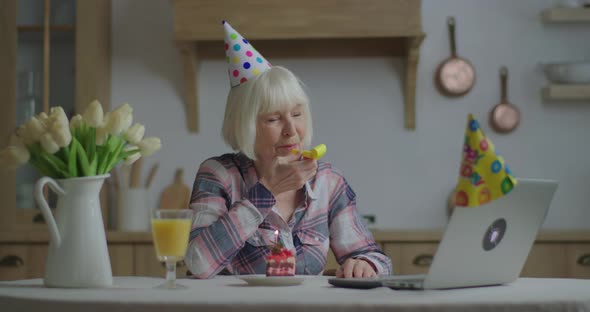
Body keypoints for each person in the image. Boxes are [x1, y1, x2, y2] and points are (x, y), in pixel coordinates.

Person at [185, 21, 392, 279]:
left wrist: (365, 264)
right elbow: (196, 264)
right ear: (244, 126)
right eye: (273, 119)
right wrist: (267, 191)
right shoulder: (218, 175)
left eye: (297, 114)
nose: (291, 130)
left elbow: (374, 257)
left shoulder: (328, 181)